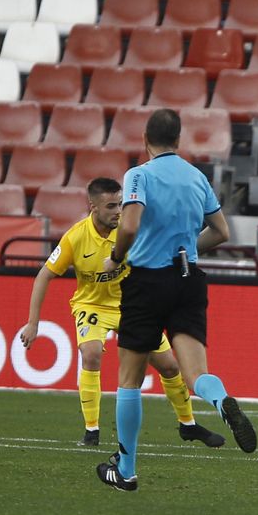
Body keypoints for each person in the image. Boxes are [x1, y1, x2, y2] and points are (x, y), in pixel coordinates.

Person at [95, 109, 255, 493]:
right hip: (188, 280)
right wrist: (185, 251)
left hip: (147, 282)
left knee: (129, 381)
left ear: (145, 140)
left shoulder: (140, 175)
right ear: (179, 141)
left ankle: (127, 470)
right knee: (196, 374)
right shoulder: (196, 177)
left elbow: (130, 224)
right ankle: (220, 402)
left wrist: (115, 258)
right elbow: (220, 231)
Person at [20, 177, 224, 449]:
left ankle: (188, 425)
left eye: (121, 204)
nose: (118, 211)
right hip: (91, 306)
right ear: (92, 206)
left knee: (170, 366)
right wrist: (33, 323)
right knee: (91, 354)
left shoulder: (131, 231)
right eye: (111, 206)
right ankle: (91, 431)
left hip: (132, 305)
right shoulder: (76, 237)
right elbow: (44, 276)